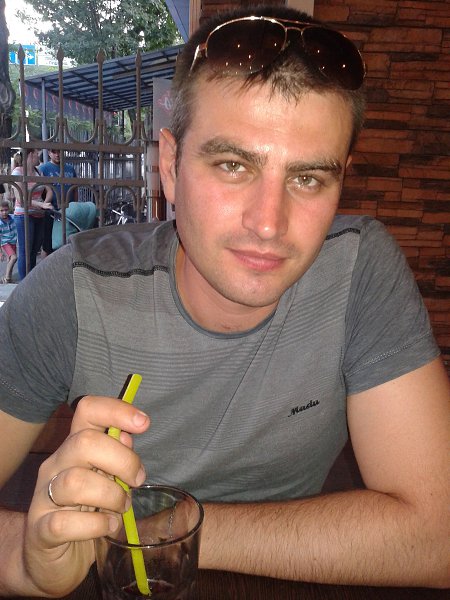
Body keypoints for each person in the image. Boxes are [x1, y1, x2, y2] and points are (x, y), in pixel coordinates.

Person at [0, 4, 449, 596]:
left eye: (308, 179)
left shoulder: (360, 270)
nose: (268, 223)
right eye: (233, 165)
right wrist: (28, 562)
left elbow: (437, 537)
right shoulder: (74, 290)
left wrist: (165, 535)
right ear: (170, 166)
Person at [11, 149, 53, 280]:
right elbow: (21, 199)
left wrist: (44, 203)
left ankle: (31, 281)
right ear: (30, 155)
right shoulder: (17, 172)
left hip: (39, 215)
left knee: (34, 250)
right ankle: (24, 283)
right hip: (24, 216)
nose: (39, 156)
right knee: (25, 251)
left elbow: (49, 190)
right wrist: (41, 205)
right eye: (37, 153)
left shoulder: (38, 172)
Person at [38, 148, 78, 257]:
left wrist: (75, 204)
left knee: (66, 242)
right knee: (48, 244)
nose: (57, 154)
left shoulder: (70, 169)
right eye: (54, 152)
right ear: (49, 153)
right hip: (51, 211)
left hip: (68, 212)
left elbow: (75, 189)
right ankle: (45, 266)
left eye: (59, 152)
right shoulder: (43, 169)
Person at [0, 200, 17, 283]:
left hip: (13, 241)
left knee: (10, 260)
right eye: (1, 210)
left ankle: (8, 277)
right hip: (5, 242)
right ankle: (7, 278)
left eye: (6, 210)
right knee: (14, 258)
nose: (4, 212)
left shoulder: (13, 218)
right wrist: (0, 253)